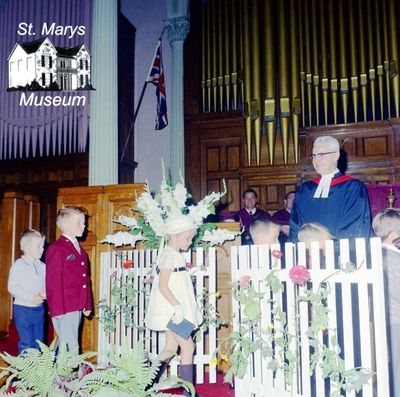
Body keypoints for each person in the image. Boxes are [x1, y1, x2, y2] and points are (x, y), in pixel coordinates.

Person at [145, 215, 203, 396]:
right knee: (188, 347)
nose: (191, 241)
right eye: (188, 238)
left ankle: (145, 385)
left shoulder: (174, 255)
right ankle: (189, 392)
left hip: (174, 311)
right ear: (174, 236)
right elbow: (163, 285)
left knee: (170, 348)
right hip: (173, 312)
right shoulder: (169, 256)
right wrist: (177, 307)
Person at [289, 135, 372, 242]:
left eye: (321, 155)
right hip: (308, 254)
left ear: (336, 156)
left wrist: (330, 250)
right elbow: (295, 227)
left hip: (342, 254)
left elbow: (355, 226)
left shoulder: (353, 187)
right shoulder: (305, 190)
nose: (316, 160)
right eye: (313, 155)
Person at [45, 206, 93, 354]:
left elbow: (85, 280)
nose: (84, 225)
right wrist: (56, 309)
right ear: (64, 224)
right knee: (70, 347)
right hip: (65, 306)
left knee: (66, 341)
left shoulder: (80, 250)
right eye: (79, 222)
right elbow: (53, 282)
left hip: (76, 304)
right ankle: (68, 375)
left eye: (84, 222)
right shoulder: (57, 248)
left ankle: (59, 375)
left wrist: (87, 303)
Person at [372, 208, 400, 397]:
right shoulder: (394, 258)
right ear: (395, 234)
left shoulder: (373, 254)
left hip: (381, 319)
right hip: (396, 319)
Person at [8, 229, 46, 353]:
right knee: (26, 342)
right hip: (23, 309)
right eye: (38, 246)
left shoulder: (42, 266)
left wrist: (44, 292)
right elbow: (13, 287)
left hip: (38, 310)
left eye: (42, 246)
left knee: (38, 342)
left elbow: (45, 284)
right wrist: (31, 297)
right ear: (25, 247)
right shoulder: (19, 265)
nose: (42, 249)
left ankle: (38, 370)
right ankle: (26, 370)